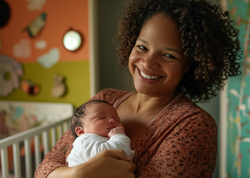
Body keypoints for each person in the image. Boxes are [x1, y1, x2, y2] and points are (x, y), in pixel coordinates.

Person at [35, 0, 242, 177]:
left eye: (168, 55)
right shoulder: (104, 100)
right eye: (142, 47)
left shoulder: (194, 125)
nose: (148, 63)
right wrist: (79, 174)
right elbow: (45, 168)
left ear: (189, 64)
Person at [67, 100, 135, 167]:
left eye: (117, 119)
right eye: (101, 117)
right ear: (81, 131)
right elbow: (105, 156)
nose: (112, 120)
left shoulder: (108, 140)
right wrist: (119, 136)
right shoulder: (84, 140)